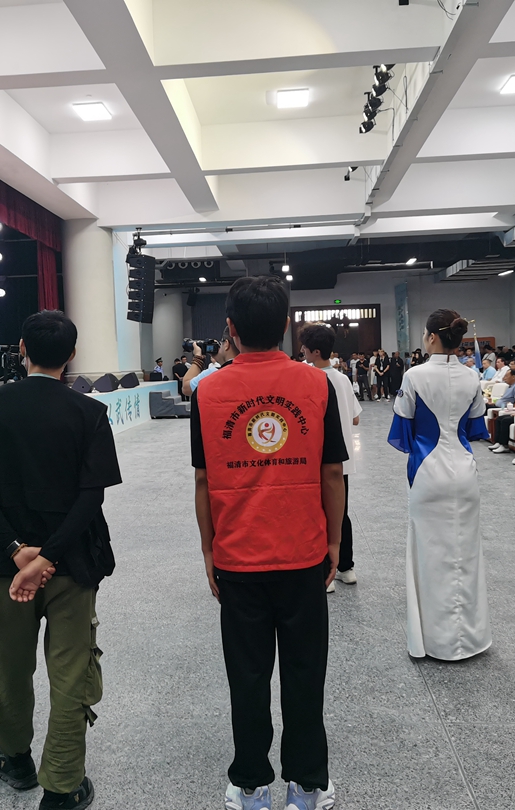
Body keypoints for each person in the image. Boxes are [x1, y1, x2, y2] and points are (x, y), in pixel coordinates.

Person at [190, 276, 346, 810]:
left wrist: (209, 550)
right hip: (302, 553)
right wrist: (333, 543)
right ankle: (306, 785)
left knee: (248, 676)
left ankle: (251, 785)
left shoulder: (207, 391)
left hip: (238, 558)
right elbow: (331, 473)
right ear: (284, 325)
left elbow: (203, 480)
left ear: (230, 328)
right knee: (305, 674)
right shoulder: (316, 384)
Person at [0, 311, 122, 810]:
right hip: (73, 563)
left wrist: (16, 550)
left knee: (8, 663)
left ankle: (15, 758)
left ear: (22, 349)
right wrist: (49, 555)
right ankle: (63, 785)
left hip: (8, 567)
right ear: (71, 354)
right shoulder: (88, 412)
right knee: (71, 672)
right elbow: (92, 495)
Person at [389, 309, 491, 660]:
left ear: (432, 336)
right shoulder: (472, 376)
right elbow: (475, 429)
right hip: (464, 471)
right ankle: (471, 638)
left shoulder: (414, 376)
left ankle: (432, 641)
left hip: (427, 473)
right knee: (467, 554)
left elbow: (403, 432)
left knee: (429, 555)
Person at [301, 324, 363, 593]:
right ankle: (346, 568)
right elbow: (356, 418)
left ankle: (324, 571)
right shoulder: (343, 379)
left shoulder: (308, 378)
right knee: (341, 514)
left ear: (315, 351)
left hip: (318, 460)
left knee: (318, 514)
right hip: (343, 460)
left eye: (305, 347)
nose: (302, 350)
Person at [182, 327, 240, 398]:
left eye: (221, 343)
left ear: (226, 344)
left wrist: (198, 358)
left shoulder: (213, 373)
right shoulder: (248, 370)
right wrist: (219, 357)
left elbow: (186, 388)